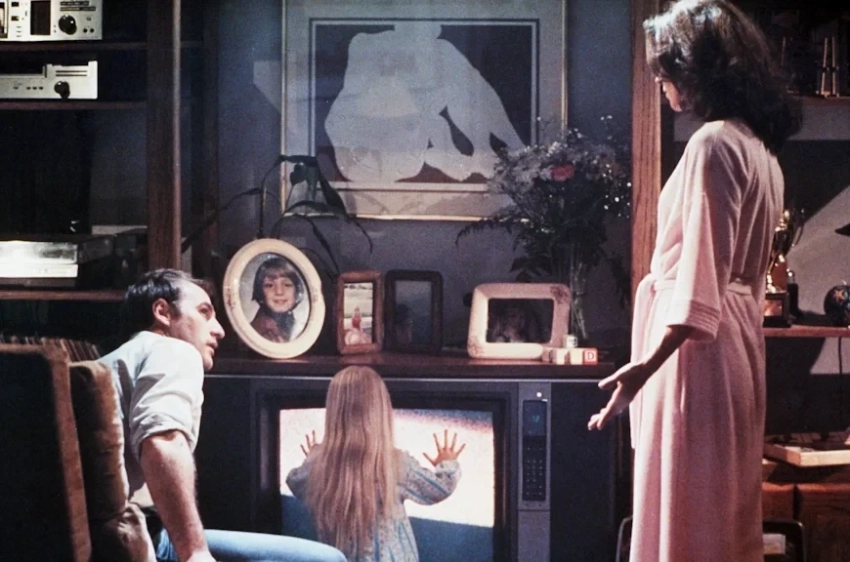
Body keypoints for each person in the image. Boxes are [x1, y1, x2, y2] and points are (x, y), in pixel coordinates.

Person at [587, 1, 801, 560]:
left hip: (693, 356)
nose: (660, 84)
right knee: (718, 511)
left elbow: (701, 281)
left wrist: (644, 367)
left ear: (696, 69)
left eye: (665, 72)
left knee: (686, 513)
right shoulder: (760, 151)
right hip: (734, 348)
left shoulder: (714, 144)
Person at [100, 268, 346, 562]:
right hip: (145, 540)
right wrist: (195, 553)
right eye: (204, 312)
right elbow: (162, 440)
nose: (219, 330)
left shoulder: (111, 361)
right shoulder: (174, 350)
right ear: (163, 312)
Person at [286, 366, 465, 562]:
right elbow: (442, 488)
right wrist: (447, 462)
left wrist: (314, 458)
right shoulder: (396, 465)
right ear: (381, 411)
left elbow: (295, 482)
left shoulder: (318, 466)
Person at [250, 256, 306, 343]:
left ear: (297, 291)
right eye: (269, 285)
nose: (279, 292)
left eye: (287, 284)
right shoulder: (253, 331)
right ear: (260, 292)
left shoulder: (303, 329)